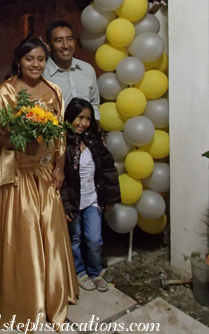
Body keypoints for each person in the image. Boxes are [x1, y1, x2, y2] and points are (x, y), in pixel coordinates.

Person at [0, 37, 78, 328]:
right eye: (29, 59)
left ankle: (53, 297)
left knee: (49, 230)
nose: (35, 65)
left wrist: (60, 167)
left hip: (46, 172)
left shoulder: (54, 90)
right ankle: (24, 301)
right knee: (22, 235)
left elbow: (60, 132)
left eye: (40, 59)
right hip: (18, 174)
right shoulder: (7, 90)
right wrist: (15, 141)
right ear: (19, 61)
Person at [61, 98, 121, 292]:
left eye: (88, 119)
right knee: (75, 238)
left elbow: (108, 169)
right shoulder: (62, 143)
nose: (83, 123)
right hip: (75, 202)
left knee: (95, 239)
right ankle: (79, 272)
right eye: (79, 118)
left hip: (93, 200)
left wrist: (110, 197)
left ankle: (95, 271)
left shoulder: (95, 141)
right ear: (69, 118)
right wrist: (66, 206)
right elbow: (60, 180)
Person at [43, 21, 100, 119]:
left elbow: (94, 103)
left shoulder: (87, 69)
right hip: (57, 132)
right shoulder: (43, 73)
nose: (65, 45)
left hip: (86, 131)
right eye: (59, 40)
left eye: (69, 39)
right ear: (48, 45)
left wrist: (96, 127)